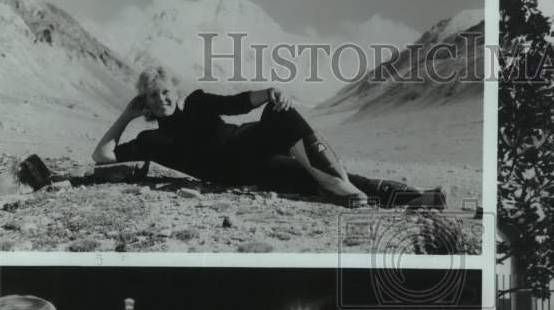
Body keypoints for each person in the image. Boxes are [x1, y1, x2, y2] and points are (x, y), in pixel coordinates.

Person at [92, 65, 445, 209]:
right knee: (308, 177)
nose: (162, 99)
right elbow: (102, 156)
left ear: (175, 90)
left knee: (280, 112)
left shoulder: (197, 102)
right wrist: (126, 114)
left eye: (165, 91)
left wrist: (272, 91)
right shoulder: (151, 142)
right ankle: (358, 191)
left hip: (250, 142)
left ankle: (414, 197)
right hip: (242, 171)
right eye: (152, 96)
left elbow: (237, 103)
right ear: (146, 102)